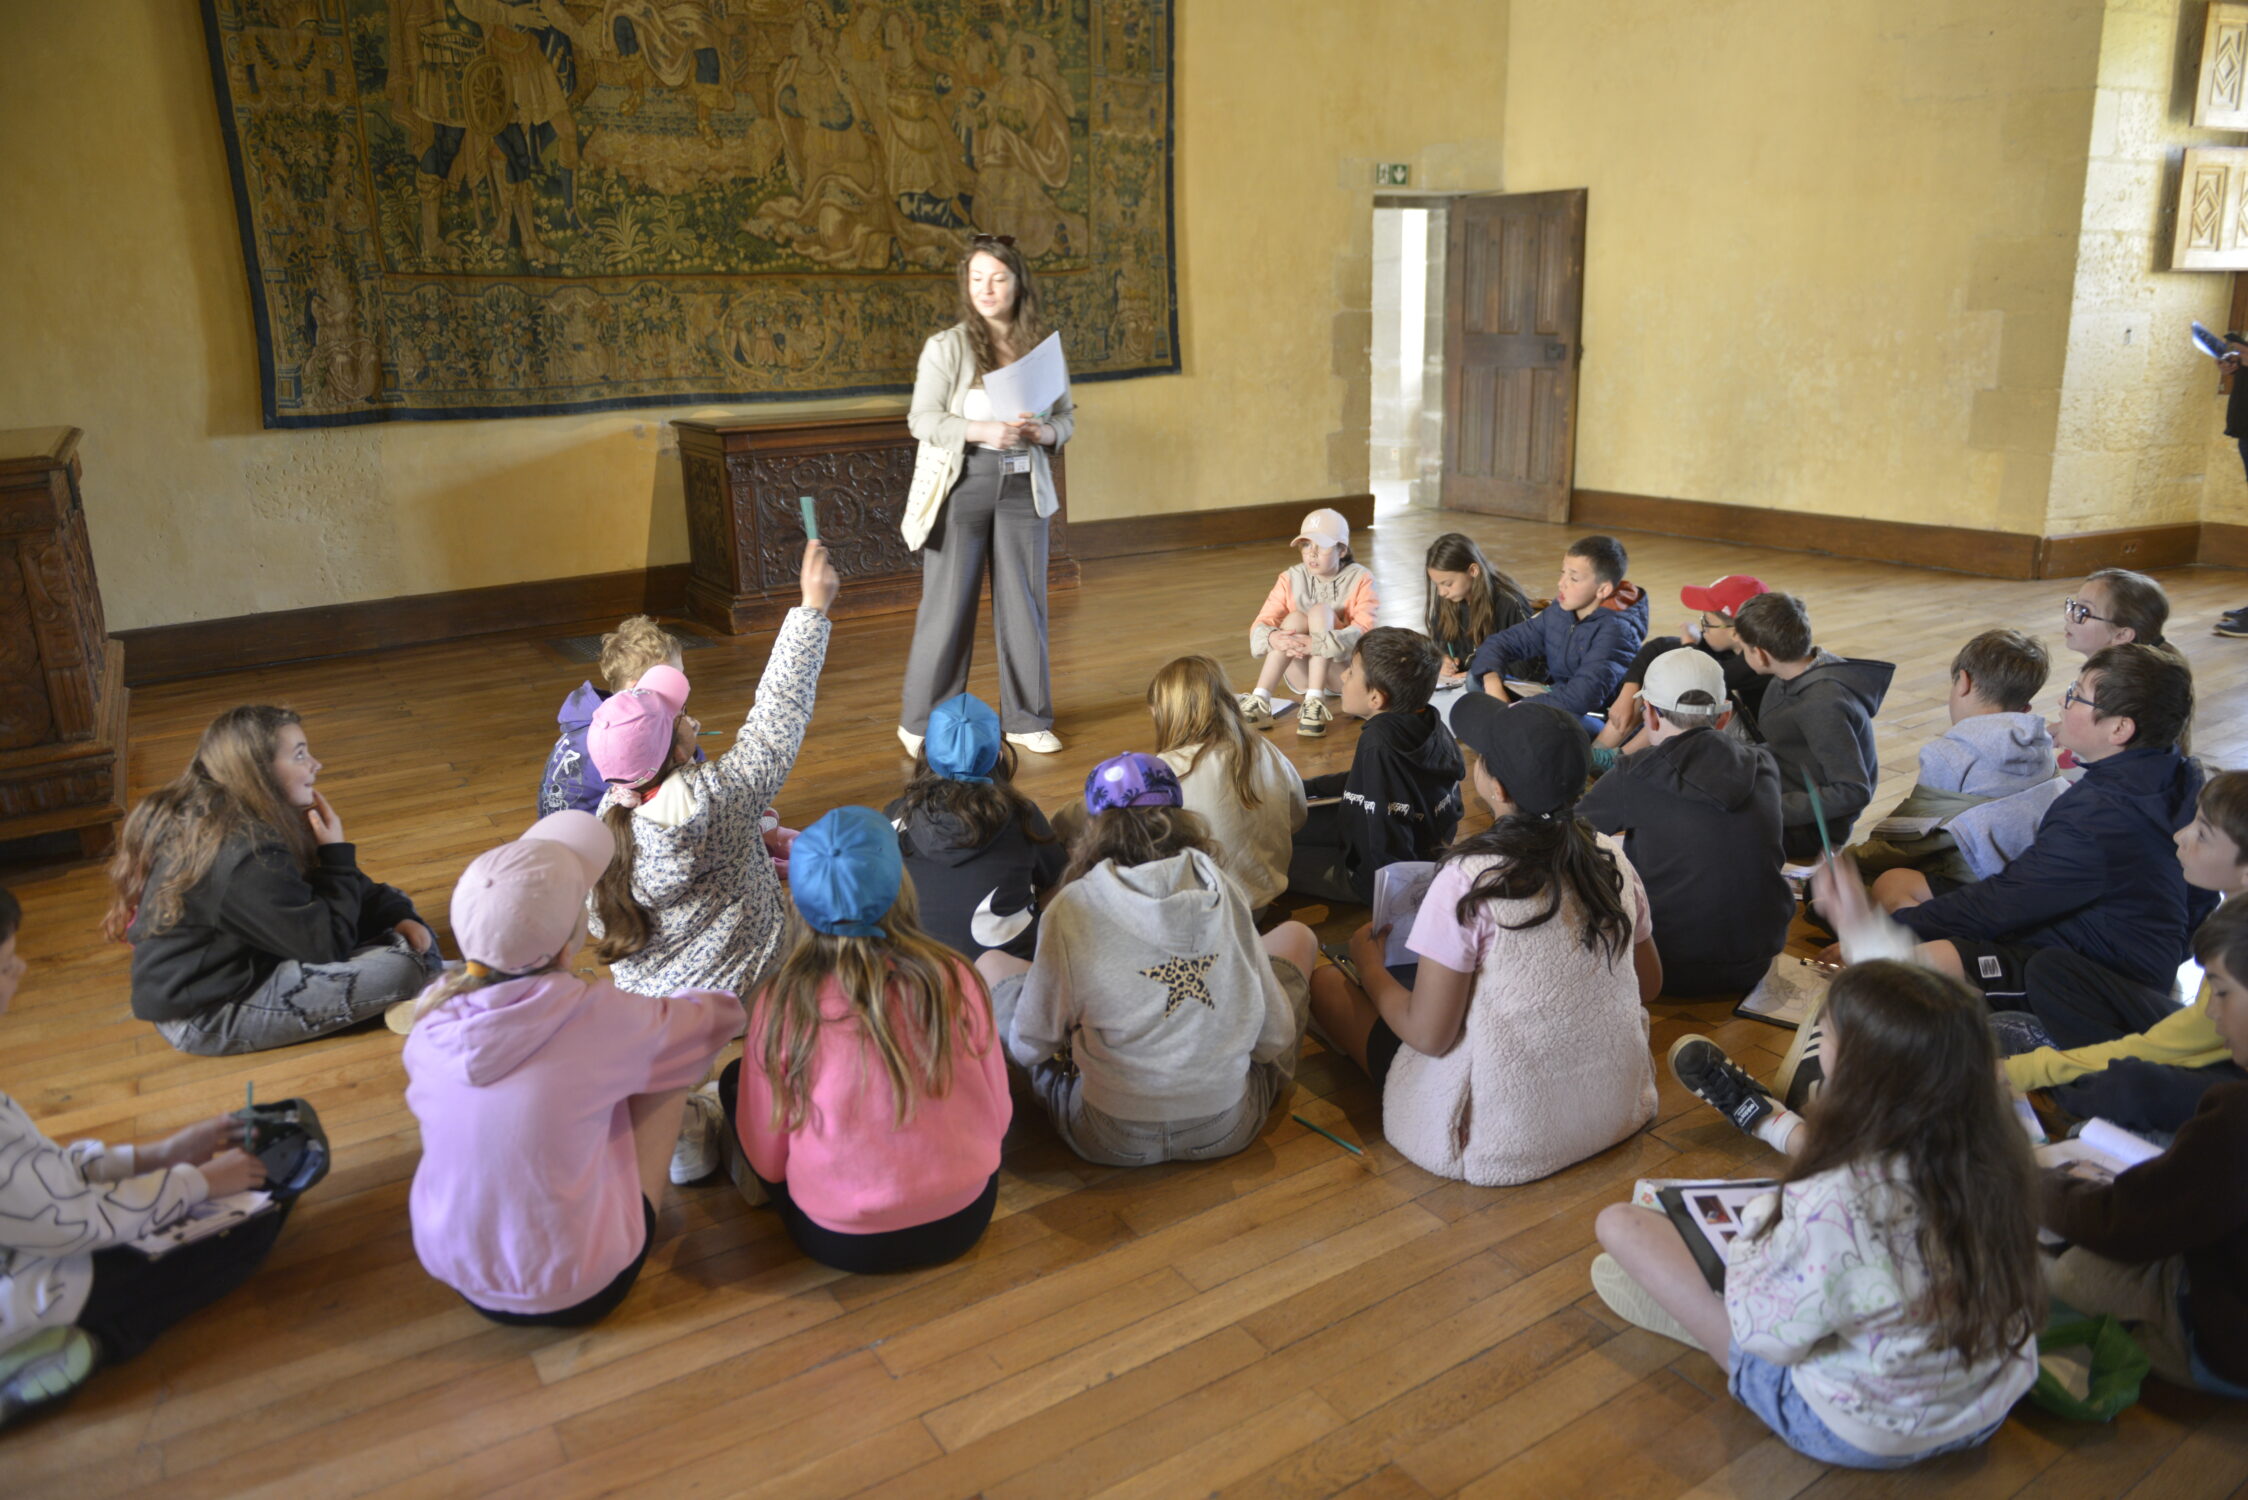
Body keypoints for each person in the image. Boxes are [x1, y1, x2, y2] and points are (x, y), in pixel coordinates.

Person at [1592, 961, 2041, 1468]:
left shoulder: (1836, 1201)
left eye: (1823, 1033)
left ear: (1854, 1069)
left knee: (1620, 1225)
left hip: (1860, 1431)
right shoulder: (2005, 1154)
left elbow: (1768, 1335)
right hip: (1986, 1407)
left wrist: (1762, 1224)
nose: (1818, 1037)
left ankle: (1697, 1310)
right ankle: (1770, 1124)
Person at [404, 812, 743, 1325]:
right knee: (663, 1062)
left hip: (464, 1275)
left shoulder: (430, 1020)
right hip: (586, 1284)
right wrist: (710, 995)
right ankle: (695, 1141)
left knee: (595, 1078)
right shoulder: (600, 1017)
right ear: (568, 948)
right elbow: (714, 1021)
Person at [1308, 695, 1661, 1185]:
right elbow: (1650, 984)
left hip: (1506, 1134)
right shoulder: (1609, 856)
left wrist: (1368, 966)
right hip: (1615, 1106)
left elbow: (1430, 1036)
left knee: (1325, 985)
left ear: (1496, 787)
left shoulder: (1469, 878)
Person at [0, 887, 286, 1430]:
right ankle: (78, 1344)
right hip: (27, 1287)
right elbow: (76, 1220)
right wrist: (196, 1182)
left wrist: (157, 1155)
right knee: (248, 1230)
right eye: (6, 965)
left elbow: (40, 1175)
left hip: (29, 1247)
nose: (22, 969)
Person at [977, 754, 1318, 1167]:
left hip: (1108, 1136)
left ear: (1094, 826)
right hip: (1227, 1128)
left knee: (992, 967)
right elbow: (1275, 1037)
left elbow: (1030, 1047)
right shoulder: (1223, 889)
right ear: (1182, 816)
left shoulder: (1070, 907)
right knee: (1298, 937)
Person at [720, 808, 1010, 1273]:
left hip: (839, 1240)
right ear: (902, 885)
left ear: (799, 900)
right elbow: (999, 1117)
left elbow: (769, 1162)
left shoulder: (783, 1001)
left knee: (733, 1080)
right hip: (964, 1216)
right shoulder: (955, 975)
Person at [1869, 644, 2215, 998]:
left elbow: (2004, 903)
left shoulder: (2100, 816)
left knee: (1921, 962)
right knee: (1897, 883)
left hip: (2092, 974)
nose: (2063, 702)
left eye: (2076, 696)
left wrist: (1882, 937)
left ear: (2119, 729)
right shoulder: (2177, 771)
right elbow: (2200, 903)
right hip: (2089, 933)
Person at [103, 705, 443, 1055]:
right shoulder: (245, 853)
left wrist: (397, 915)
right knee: (401, 970)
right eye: (300, 755)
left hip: (257, 959)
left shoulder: (250, 815)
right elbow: (326, 948)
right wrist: (336, 852)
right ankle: (430, 982)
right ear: (259, 771)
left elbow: (339, 889)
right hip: (209, 1015)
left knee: (391, 902)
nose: (316, 764)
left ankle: (421, 977)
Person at [588, 541, 839, 1001]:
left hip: (648, 996)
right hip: (735, 991)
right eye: (682, 716)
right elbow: (778, 713)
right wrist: (812, 608)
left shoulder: (608, 816)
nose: (692, 719)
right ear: (673, 748)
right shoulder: (718, 798)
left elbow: (596, 917)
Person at [2039, 897, 2248, 1396]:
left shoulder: (2237, 1117)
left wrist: (2034, 1186)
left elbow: (2123, 1225)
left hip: (2230, 1349)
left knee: (2074, 1274)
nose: (2212, 1013)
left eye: (2221, 992)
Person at [898, 236, 1075, 758]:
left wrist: (1045, 432)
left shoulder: (1041, 348)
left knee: (1025, 606)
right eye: (977, 279)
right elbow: (922, 419)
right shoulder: (946, 346)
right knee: (947, 607)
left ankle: (1027, 720)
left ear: (1018, 284)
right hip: (962, 484)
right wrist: (982, 430)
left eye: (998, 278)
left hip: (1024, 487)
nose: (987, 289)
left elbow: (1066, 417)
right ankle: (923, 722)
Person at [1995, 770, 2248, 1133]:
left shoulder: (2239, 943)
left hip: (2234, 1069)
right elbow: (2189, 1032)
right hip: (2213, 1040)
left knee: (2133, 1086)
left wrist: (2027, 1070)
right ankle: (2090, 1077)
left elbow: (2173, 1042)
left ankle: (2075, 1102)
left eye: (2203, 834)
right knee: (2053, 970)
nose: (2181, 835)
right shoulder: (2233, 908)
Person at [1579, 649, 1791, 996]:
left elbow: (1568, 833)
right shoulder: (1762, 765)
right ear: (1724, 717)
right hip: (1754, 961)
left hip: (1663, 966)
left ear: (1649, 714)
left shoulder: (1634, 773)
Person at [1841, 628, 2056, 887]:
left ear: (1963, 682)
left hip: (1972, 880)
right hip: (2032, 874)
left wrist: (1849, 859)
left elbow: (1910, 840)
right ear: (2025, 708)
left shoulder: (1950, 754)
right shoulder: (2042, 747)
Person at [1288, 628, 1464, 906]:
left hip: (1374, 874)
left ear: (1376, 699)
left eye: (1351, 672)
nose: (1343, 676)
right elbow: (1370, 782)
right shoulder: (1430, 720)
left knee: (1266, 855)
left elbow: (1386, 832)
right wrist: (1307, 787)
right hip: (1408, 839)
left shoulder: (1379, 743)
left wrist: (1388, 900)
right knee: (1281, 825)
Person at [886, 692, 1064, 964]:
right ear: (998, 756)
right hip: (1010, 972)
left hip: (919, 971)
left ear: (925, 752)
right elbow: (1059, 880)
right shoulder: (1023, 814)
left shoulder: (896, 814)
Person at [1731, 591, 1894, 861]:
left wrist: (1768, 807)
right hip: (1785, 785)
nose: (1741, 655)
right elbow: (1788, 748)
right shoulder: (1790, 674)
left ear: (1760, 654)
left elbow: (1853, 791)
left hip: (1813, 828)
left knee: (1709, 827)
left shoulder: (1822, 704)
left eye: (1743, 649)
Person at [1147, 654, 1306, 912]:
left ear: (1165, 711)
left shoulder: (1163, 770)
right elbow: (1297, 815)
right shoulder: (1262, 747)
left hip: (1208, 912)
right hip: (1261, 901)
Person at [1465, 535, 1646, 734]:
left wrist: (1519, 708)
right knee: (1477, 678)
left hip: (1592, 716)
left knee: (1525, 722)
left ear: (1603, 589)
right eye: (1563, 573)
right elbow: (1502, 642)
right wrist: (1493, 685)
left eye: (1573, 578)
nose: (1561, 583)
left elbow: (1581, 698)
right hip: (1557, 696)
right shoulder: (1562, 609)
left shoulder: (1617, 630)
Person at [1591, 572, 1770, 760]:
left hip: (1757, 752)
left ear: (1734, 633)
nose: (1703, 629)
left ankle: (1618, 760)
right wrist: (1628, 693)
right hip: (1734, 732)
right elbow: (1657, 647)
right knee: (1671, 673)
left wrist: (1689, 644)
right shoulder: (1727, 645)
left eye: (1707, 622)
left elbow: (1703, 674)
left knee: (1689, 688)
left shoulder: (1758, 661)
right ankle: (1596, 753)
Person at [1238, 508, 1379, 738]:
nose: (1312, 554)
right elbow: (1261, 623)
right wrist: (1273, 637)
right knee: (1294, 619)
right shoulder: (1291, 577)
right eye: (1306, 545)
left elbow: (1364, 633)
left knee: (1320, 611)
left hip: (1343, 674)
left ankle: (1315, 702)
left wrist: (1319, 644)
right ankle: (1261, 697)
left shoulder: (1361, 578)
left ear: (1342, 550)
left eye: (1321, 546)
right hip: (1300, 673)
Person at [1422, 531, 1532, 685]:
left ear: (1473, 571)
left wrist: (1480, 674)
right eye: (1437, 585)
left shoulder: (1509, 603)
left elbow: (1528, 665)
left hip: (1501, 685)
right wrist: (1442, 658)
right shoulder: (1448, 599)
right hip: (1461, 683)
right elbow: (1438, 643)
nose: (1441, 592)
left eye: (1447, 584)